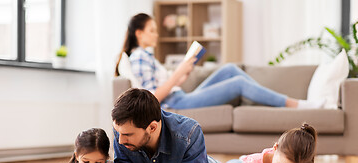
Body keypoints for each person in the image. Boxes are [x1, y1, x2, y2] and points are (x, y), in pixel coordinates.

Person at [114, 13, 324, 110]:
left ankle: (269, 100)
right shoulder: (139, 57)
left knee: (230, 69)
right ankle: (296, 104)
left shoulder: (147, 57)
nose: (157, 35)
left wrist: (182, 75)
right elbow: (151, 98)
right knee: (239, 84)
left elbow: (163, 86)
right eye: (152, 30)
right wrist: (177, 74)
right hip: (175, 103)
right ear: (139, 33)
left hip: (179, 96)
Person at [96, 88, 242, 163]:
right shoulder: (123, 134)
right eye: (118, 132)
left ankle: (242, 162)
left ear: (152, 127)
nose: (120, 141)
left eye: (127, 135)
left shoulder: (189, 133)